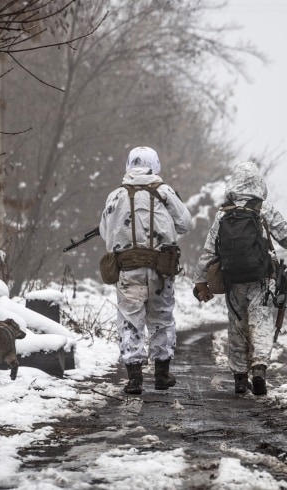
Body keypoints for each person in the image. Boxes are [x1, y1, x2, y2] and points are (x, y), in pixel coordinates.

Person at [192, 161, 287, 396]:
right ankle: (259, 369)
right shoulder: (263, 209)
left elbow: (209, 251)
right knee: (260, 321)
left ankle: (240, 378)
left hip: (232, 279)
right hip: (261, 278)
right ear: (258, 183)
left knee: (237, 326)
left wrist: (200, 281)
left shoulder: (223, 213)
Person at [99, 146, 192, 395]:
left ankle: (134, 378)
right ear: (155, 164)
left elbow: (104, 232)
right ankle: (162, 376)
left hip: (128, 270)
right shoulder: (165, 192)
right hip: (162, 270)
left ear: (128, 164)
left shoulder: (115, 196)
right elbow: (185, 225)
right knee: (162, 320)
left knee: (130, 321)